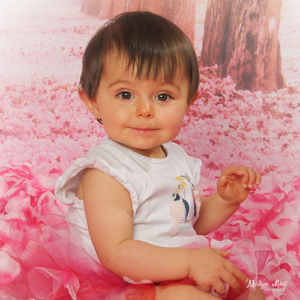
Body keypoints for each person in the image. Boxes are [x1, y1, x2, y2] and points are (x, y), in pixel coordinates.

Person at [55, 11, 266, 300]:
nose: (145, 110)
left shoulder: (176, 157)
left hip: (177, 267)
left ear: (189, 101)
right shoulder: (106, 173)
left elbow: (181, 226)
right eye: (125, 95)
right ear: (92, 101)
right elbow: (116, 252)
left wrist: (225, 201)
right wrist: (190, 263)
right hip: (131, 280)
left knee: (251, 292)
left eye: (163, 96)